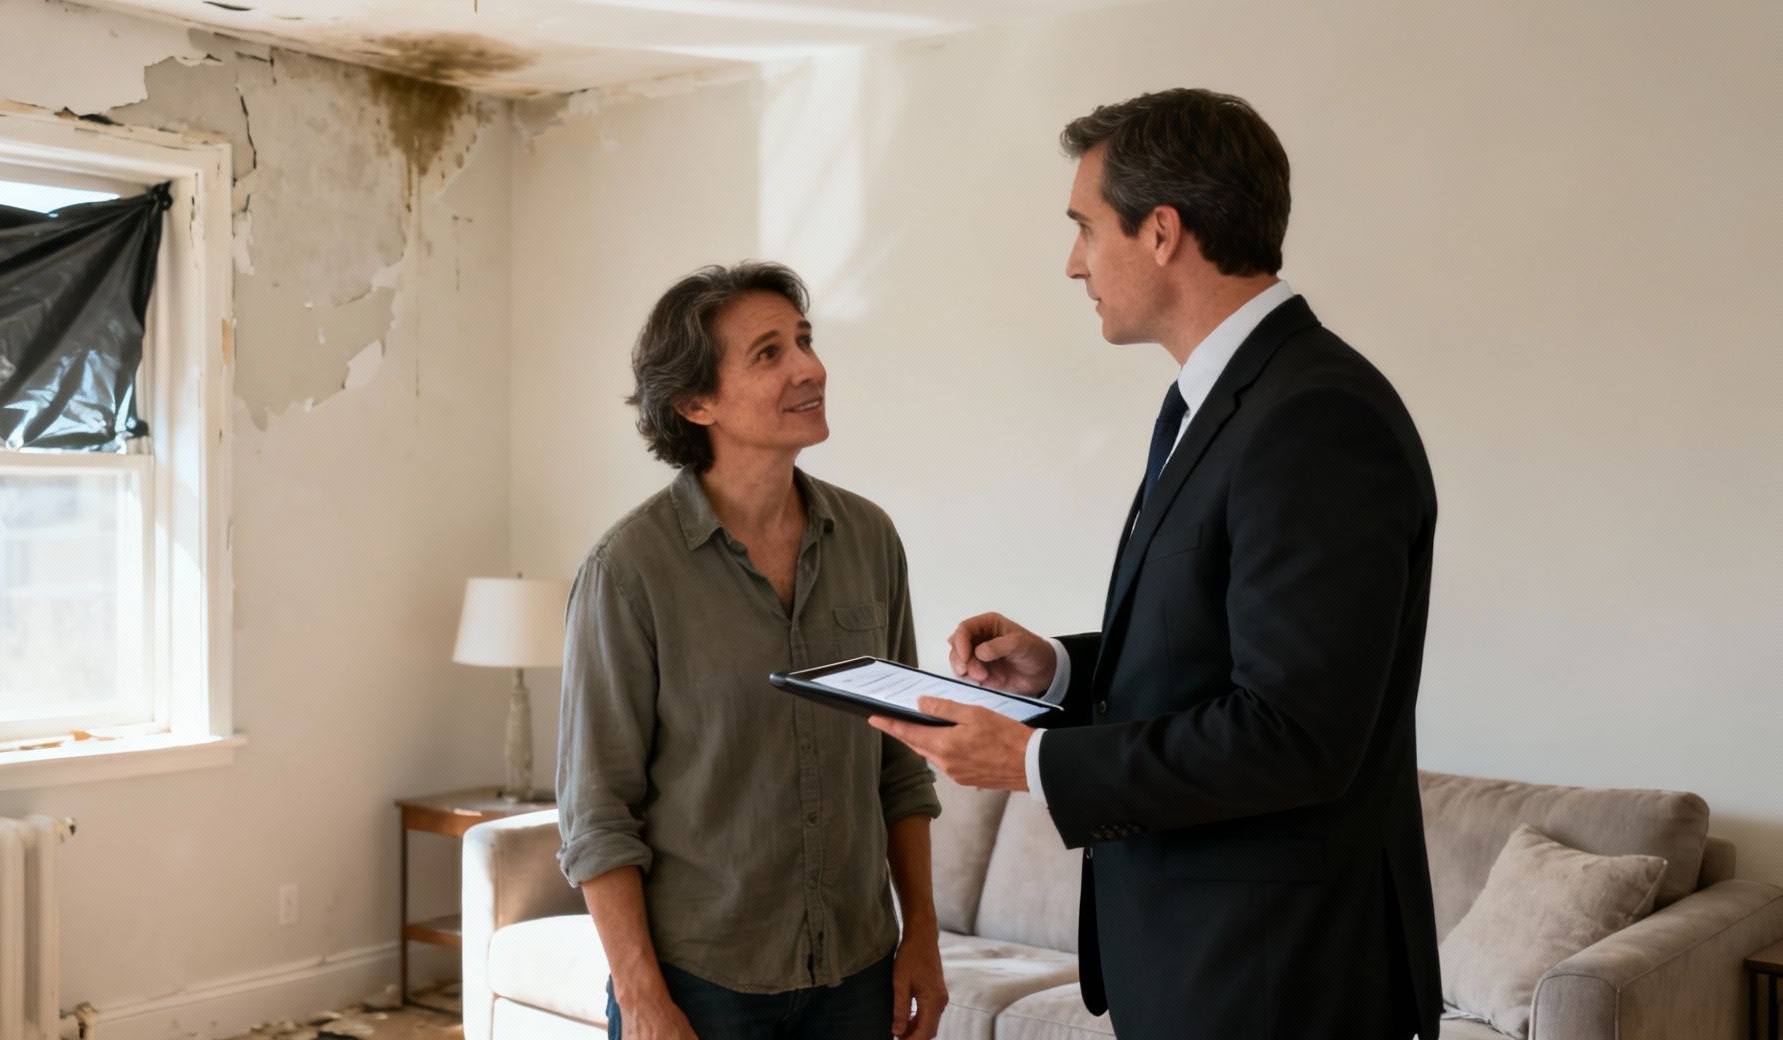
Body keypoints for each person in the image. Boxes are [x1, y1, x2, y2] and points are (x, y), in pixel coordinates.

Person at [873, 89, 1444, 1040]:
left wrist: (1034, 759)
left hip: (1278, 981)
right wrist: (1058, 668)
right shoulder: (1218, 402)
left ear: (1163, 232)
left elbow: (1294, 732)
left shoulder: (1313, 417)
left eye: (1085, 229)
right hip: (1202, 966)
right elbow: (1219, 648)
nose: (1072, 262)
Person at [557, 262, 948, 1040]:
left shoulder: (870, 541)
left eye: (803, 340)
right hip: (702, 987)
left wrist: (924, 940)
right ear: (695, 402)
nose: (810, 367)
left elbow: (900, 766)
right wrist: (642, 1000)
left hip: (858, 973)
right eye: (769, 353)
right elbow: (598, 811)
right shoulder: (629, 571)